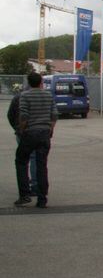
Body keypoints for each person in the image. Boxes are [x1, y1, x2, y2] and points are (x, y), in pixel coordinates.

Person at [14, 72, 58, 208]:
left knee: (21, 161)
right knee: (41, 165)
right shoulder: (48, 95)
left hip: (30, 133)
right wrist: (50, 129)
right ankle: (42, 198)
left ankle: (24, 195)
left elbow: (24, 116)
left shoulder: (24, 96)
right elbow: (54, 114)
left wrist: (21, 130)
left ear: (28, 82)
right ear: (41, 82)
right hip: (44, 134)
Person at [7, 83, 38, 196]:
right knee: (35, 158)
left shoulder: (17, 97)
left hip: (22, 133)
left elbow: (10, 115)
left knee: (22, 161)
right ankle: (35, 185)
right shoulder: (42, 96)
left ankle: (25, 189)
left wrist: (17, 128)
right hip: (37, 132)